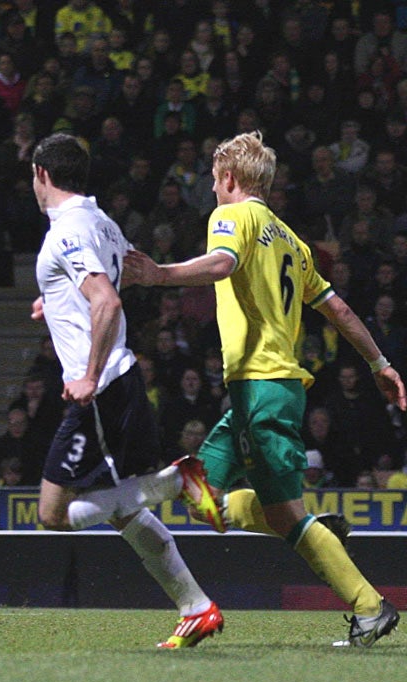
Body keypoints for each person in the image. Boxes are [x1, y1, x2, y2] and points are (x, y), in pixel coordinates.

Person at [124, 130, 407, 647]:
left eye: (214, 180)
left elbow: (223, 263)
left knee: (264, 509)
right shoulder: (290, 239)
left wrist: (158, 274)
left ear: (229, 178)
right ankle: (312, 529)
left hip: (261, 387)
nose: (212, 190)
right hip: (267, 390)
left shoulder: (232, 217)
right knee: (201, 492)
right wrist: (380, 363)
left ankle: (371, 606)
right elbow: (338, 308)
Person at [29, 131, 223, 649]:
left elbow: (107, 301)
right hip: (124, 381)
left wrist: (87, 377)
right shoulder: (101, 222)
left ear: (42, 175)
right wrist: (53, 303)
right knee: (122, 511)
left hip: (103, 388)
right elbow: (116, 278)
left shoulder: (67, 231)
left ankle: (174, 484)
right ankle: (196, 606)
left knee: (52, 514)